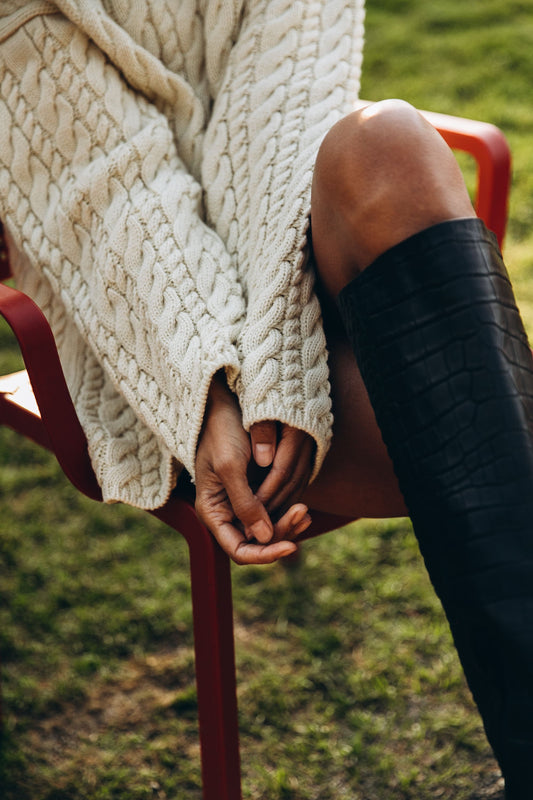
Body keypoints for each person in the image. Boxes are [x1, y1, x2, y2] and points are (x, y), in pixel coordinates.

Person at [0, 1, 531, 797]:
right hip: (138, 313)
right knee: (483, 427)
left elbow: (283, 114)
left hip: (279, 243)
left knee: (384, 139)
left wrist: (279, 366)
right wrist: (214, 391)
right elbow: (107, 189)